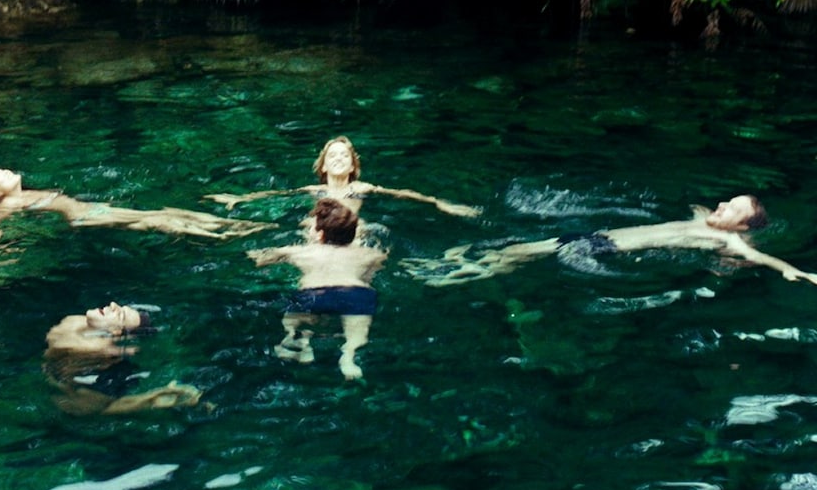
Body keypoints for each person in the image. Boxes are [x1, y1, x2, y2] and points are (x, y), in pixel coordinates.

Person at [418, 194, 817, 286]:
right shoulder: (702, 218)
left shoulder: (732, 244)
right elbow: (699, 206)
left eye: (731, 209)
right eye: (726, 201)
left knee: (517, 255)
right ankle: (458, 269)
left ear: (743, 227)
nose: (721, 205)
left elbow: (764, 260)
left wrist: (798, 273)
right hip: (599, 238)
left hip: (606, 249)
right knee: (513, 253)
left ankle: (452, 275)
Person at [247, 198, 388, 380]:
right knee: (357, 332)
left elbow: (261, 260)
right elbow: (370, 276)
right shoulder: (371, 254)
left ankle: (297, 342)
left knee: (291, 321)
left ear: (320, 234)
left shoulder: (301, 251)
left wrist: (254, 255)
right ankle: (349, 357)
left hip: (314, 293)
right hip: (356, 293)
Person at [0, 169, 270, 247]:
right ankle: (225, 233)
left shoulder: (17, 193)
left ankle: (228, 227)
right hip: (83, 216)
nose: (3, 170)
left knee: (163, 214)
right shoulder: (10, 202)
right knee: (156, 219)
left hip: (89, 210)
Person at [207, 136, 480, 218]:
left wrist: (440, 203)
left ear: (352, 167)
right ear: (323, 167)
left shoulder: (362, 187)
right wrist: (239, 199)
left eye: (344, 156)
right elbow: (276, 195)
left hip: (353, 231)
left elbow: (404, 194)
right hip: (319, 230)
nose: (338, 159)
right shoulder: (314, 191)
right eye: (332, 156)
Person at [43, 302, 201, 415]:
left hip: (90, 386)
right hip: (57, 372)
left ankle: (158, 399)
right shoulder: (75, 320)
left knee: (98, 409)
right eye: (119, 307)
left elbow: (91, 407)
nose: (112, 305)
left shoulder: (98, 346)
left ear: (116, 332)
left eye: (120, 314)